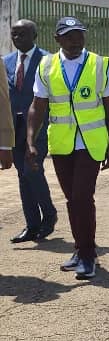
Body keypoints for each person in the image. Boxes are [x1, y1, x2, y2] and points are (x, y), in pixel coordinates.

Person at [25, 16, 109, 279]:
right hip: (62, 143)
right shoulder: (46, 65)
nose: (75, 40)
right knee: (71, 199)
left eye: (79, 35)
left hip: (91, 143)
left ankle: (88, 255)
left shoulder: (100, 64)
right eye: (68, 36)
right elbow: (37, 106)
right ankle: (81, 250)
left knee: (82, 198)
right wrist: (30, 141)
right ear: (57, 39)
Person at [5, 19, 57, 242]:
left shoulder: (48, 60)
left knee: (31, 171)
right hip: (13, 129)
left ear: (34, 36)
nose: (17, 38)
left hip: (38, 128)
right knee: (22, 175)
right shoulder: (5, 61)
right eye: (14, 34)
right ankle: (32, 225)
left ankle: (49, 215)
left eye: (22, 34)